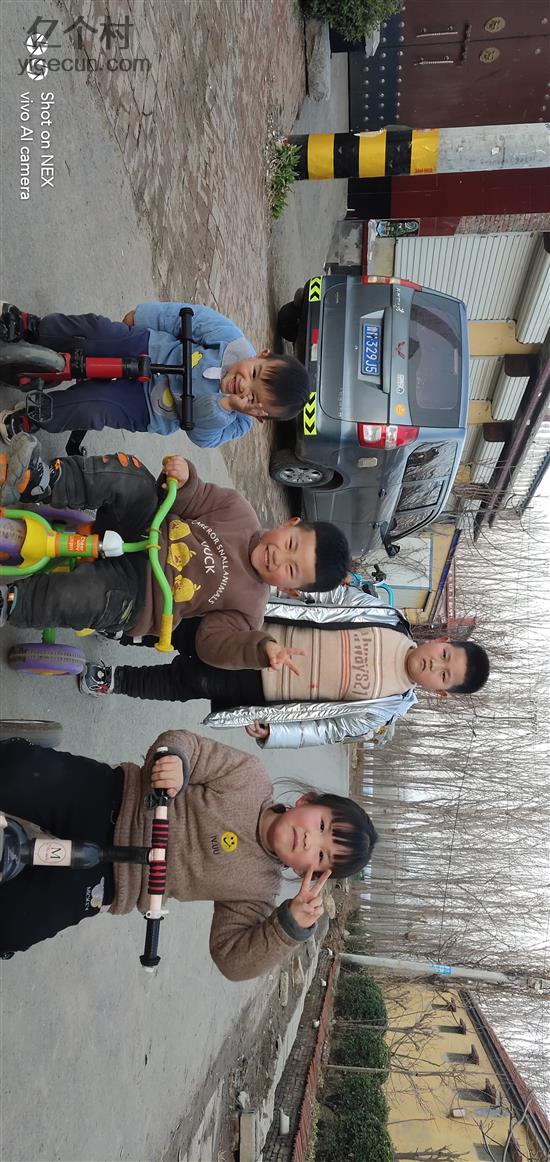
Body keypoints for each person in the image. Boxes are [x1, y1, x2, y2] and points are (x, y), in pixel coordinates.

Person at [0, 729, 377, 977]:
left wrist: (288, 927)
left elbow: (231, 959)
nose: (311, 842)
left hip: (109, 881)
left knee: (12, 927)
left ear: (309, 873)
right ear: (306, 800)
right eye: (322, 826)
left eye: (322, 857)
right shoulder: (249, 777)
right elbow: (185, 744)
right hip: (113, 799)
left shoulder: (259, 890)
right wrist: (176, 763)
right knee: (18, 772)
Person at [0, 433, 350, 669]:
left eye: (291, 570)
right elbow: (194, 497)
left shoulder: (250, 609)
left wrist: (259, 650)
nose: (278, 556)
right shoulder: (239, 512)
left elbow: (213, 645)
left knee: (85, 596)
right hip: (144, 527)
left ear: (290, 589)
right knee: (132, 478)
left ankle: (14, 602)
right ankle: (42, 481)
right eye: (290, 545)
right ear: (289, 524)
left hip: (142, 597)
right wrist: (185, 480)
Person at [78, 586, 490, 747]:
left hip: (262, 689)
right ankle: (126, 629)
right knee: (187, 629)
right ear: (441, 641)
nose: (434, 663)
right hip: (259, 633)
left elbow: (328, 730)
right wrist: (286, 587)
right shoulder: (386, 617)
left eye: (443, 674)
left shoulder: (384, 709)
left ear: (439, 691)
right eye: (444, 656)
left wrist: (277, 733)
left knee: (184, 682)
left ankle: (115, 680)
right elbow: (334, 599)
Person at [0, 300, 310, 446]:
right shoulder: (233, 342)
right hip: (150, 348)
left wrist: (226, 405)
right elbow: (190, 317)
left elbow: (202, 437)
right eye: (254, 373)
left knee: (94, 408)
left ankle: (37, 415)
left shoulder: (236, 423)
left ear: (258, 417)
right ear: (261, 355)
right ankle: (35, 328)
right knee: (96, 332)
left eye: (252, 399)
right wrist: (144, 316)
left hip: (149, 409)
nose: (243, 386)